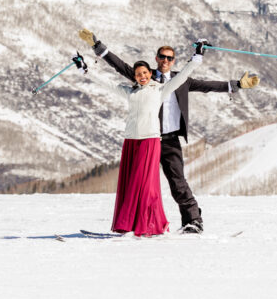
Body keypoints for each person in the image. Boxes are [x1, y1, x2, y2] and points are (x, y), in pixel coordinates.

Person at [78, 29, 260, 234]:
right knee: (139, 183)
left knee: (177, 182)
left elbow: (208, 85)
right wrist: (96, 45)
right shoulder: (144, 76)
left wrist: (237, 85)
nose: (165, 60)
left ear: (173, 61)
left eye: (170, 58)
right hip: (147, 139)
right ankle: (136, 223)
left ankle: (193, 220)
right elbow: (118, 65)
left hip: (170, 140)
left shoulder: (180, 80)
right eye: (162, 57)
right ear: (156, 58)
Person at [78, 43, 207, 236]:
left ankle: (153, 224)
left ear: (150, 73)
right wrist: (85, 70)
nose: (143, 76)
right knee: (131, 185)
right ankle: (130, 224)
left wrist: (196, 59)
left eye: (145, 73)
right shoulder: (130, 92)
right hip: (131, 141)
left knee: (146, 185)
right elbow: (106, 84)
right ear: (135, 77)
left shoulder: (160, 90)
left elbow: (181, 77)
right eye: (139, 74)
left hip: (150, 141)